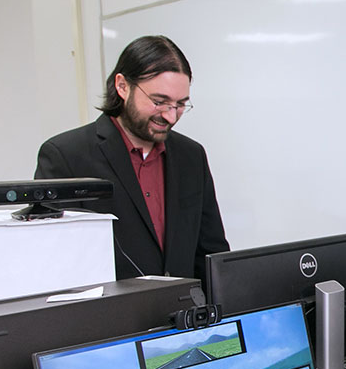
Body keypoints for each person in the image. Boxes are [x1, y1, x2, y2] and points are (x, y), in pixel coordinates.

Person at [35, 35, 229, 281]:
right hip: (109, 316)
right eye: (159, 102)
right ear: (122, 86)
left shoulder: (191, 155)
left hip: (184, 314)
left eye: (180, 104)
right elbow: (56, 262)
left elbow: (210, 253)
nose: (171, 116)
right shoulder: (66, 156)